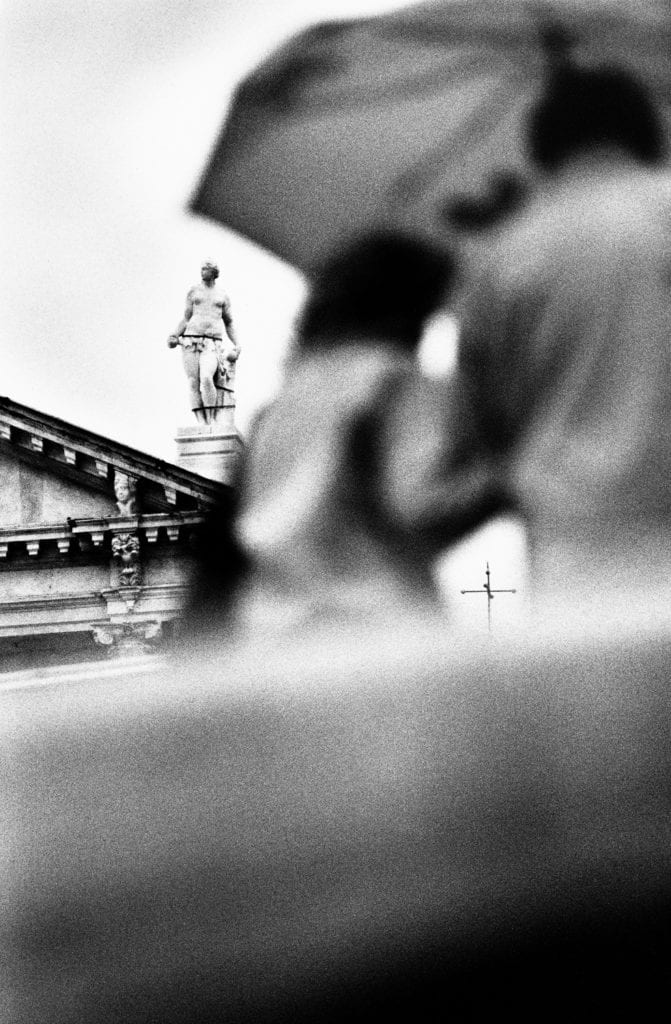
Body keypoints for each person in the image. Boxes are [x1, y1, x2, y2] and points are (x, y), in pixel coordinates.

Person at [446, 63, 671, 621]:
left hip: (577, 558)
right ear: (649, 131)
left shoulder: (502, 255)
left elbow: (481, 430)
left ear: (541, 149)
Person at [226, 232, 503, 637]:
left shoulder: (280, 405)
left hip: (273, 629)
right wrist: (505, 470)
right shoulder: (394, 380)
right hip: (374, 626)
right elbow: (422, 506)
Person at [168, 260, 240, 424]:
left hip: (212, 344)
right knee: (193, 382)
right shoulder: (194, 291)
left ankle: (211, 418)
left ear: (214, 272)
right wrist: (174, 335)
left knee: (207, 377)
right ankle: (201, 421)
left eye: (206, 269)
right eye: (202, 269)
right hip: (190, 341)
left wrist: (237, 344)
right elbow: (186, 318)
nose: (202, 272)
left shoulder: (222, 295)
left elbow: (229, 323)